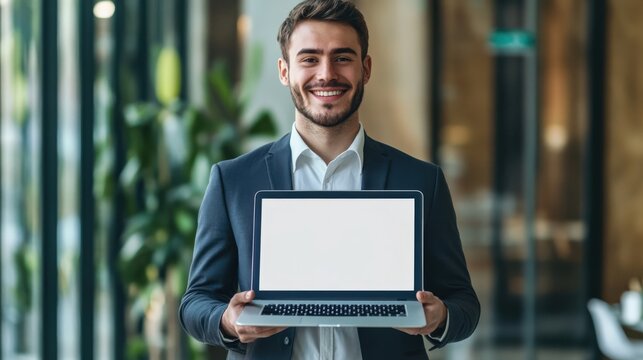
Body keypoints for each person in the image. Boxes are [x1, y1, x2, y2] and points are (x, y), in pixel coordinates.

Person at [179, 0, 480, 359]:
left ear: (365, 69)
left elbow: (464, 304)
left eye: (342, 57)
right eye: (309, 58)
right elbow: (195, 302)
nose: (326, 74)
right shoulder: (233, 180)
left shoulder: (421, 180)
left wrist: (439, 316)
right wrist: (227, 321)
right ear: (284, 70)